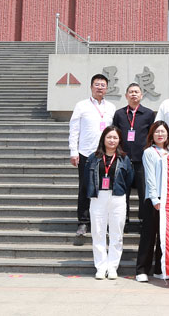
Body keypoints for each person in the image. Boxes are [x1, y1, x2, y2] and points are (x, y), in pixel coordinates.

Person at [68, 73, 116, 239]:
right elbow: (74, 129)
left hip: (106, 154)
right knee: (85, 188)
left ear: (107, 88)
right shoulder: (81, 106)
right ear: (91, 87)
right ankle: (83, 221)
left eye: (103, 85)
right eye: (97, 84)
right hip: (86, 153)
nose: (100, 88)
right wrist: (73, 151)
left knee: (105, 189)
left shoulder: (111, 107)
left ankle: (103, 221)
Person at [85, 125, 134, 279]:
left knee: (116, 233)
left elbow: (129, 179)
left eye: (115, 137)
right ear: (103, 139)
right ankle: (100, 267)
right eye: (109, 137)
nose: (112, 140)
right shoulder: (94, 157)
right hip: (98, 197)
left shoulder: (124, 158)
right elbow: (86, 178)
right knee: (98, 232)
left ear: (119, 140)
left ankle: (112, 267)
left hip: (117, 197)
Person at [112, 83, 155, 221]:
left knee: (144, 192)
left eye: (136, 92)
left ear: (141, 95)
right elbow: (114, 135)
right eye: (131, 92)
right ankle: (123, 219)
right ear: (126, 95)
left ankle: (143, 221)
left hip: (142, 160)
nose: (134, 94)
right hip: (123, 159)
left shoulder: (148, 114)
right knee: (123, 192)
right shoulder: (119, 114)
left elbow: (152, 136)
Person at [135, 121, 169, 282]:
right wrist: (155, 199)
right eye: (157, 132)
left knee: (164, 235)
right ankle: (142, 269)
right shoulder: (149, 152)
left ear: (168, 134)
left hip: (168, 199)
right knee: (149, 235)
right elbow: (149, 177)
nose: (160, 134)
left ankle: (159, 269)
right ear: (152, 135)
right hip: (153, 199)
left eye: (163, 131)